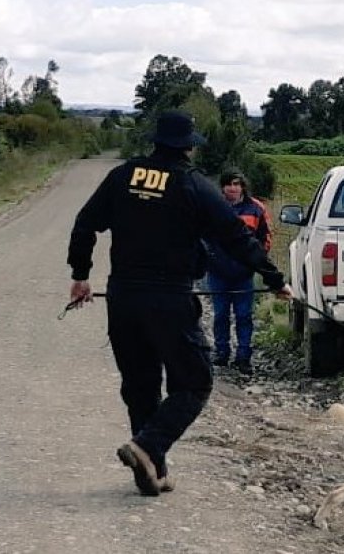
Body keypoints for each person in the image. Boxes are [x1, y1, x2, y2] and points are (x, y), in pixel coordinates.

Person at [66, 110, 292, 496]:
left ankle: (151, 470)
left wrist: (81, 275)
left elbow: (85, 223)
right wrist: (274, 279)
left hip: (123, 297)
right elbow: (236, 237)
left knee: (140, 385)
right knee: (195, 382)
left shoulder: (123, 176)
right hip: (169, 298)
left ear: (156, 141)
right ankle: (148, 446)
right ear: (188, 147)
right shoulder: (194, 185)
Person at [203, 171, 273, 375]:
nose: (232, 188)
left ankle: (244, 356)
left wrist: (256, 261)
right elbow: (202, 236)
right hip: (218, 272)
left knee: (244, 316)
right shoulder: (213, 207)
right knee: (220, 315)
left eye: (236, 184)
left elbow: (265, 237)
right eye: (229, 184)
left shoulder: (256, 208)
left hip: (244, 274)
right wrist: (210, 258)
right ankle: (221, 352)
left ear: (243, 186)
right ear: (222, 187)